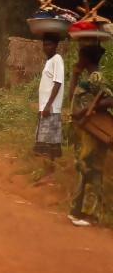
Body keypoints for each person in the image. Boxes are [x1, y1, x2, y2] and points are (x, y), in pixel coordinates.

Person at [67, 44, 112, 227]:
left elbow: (110, 99)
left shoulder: (97, 77)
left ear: (87, 58)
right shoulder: (87, 78)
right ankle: (79, 211)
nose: (79, 60)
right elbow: (72, 97)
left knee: (91, 170)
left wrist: (85, 110)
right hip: (84, 132)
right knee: (84, 168)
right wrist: (75, 75)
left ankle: (90, 215)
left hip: (93, 132)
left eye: (81, 56)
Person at [33, 33, 64, 185]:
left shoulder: (57, 59)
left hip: (50, 109)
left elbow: (57, 83)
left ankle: (49, 175)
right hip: (45, 108)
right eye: (44, 44)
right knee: (46, 143)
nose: (46, 47)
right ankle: (48, 174)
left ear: (56, 45)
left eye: (49, 44)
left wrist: (48, 105)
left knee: (47, 144)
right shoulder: (49, 61)